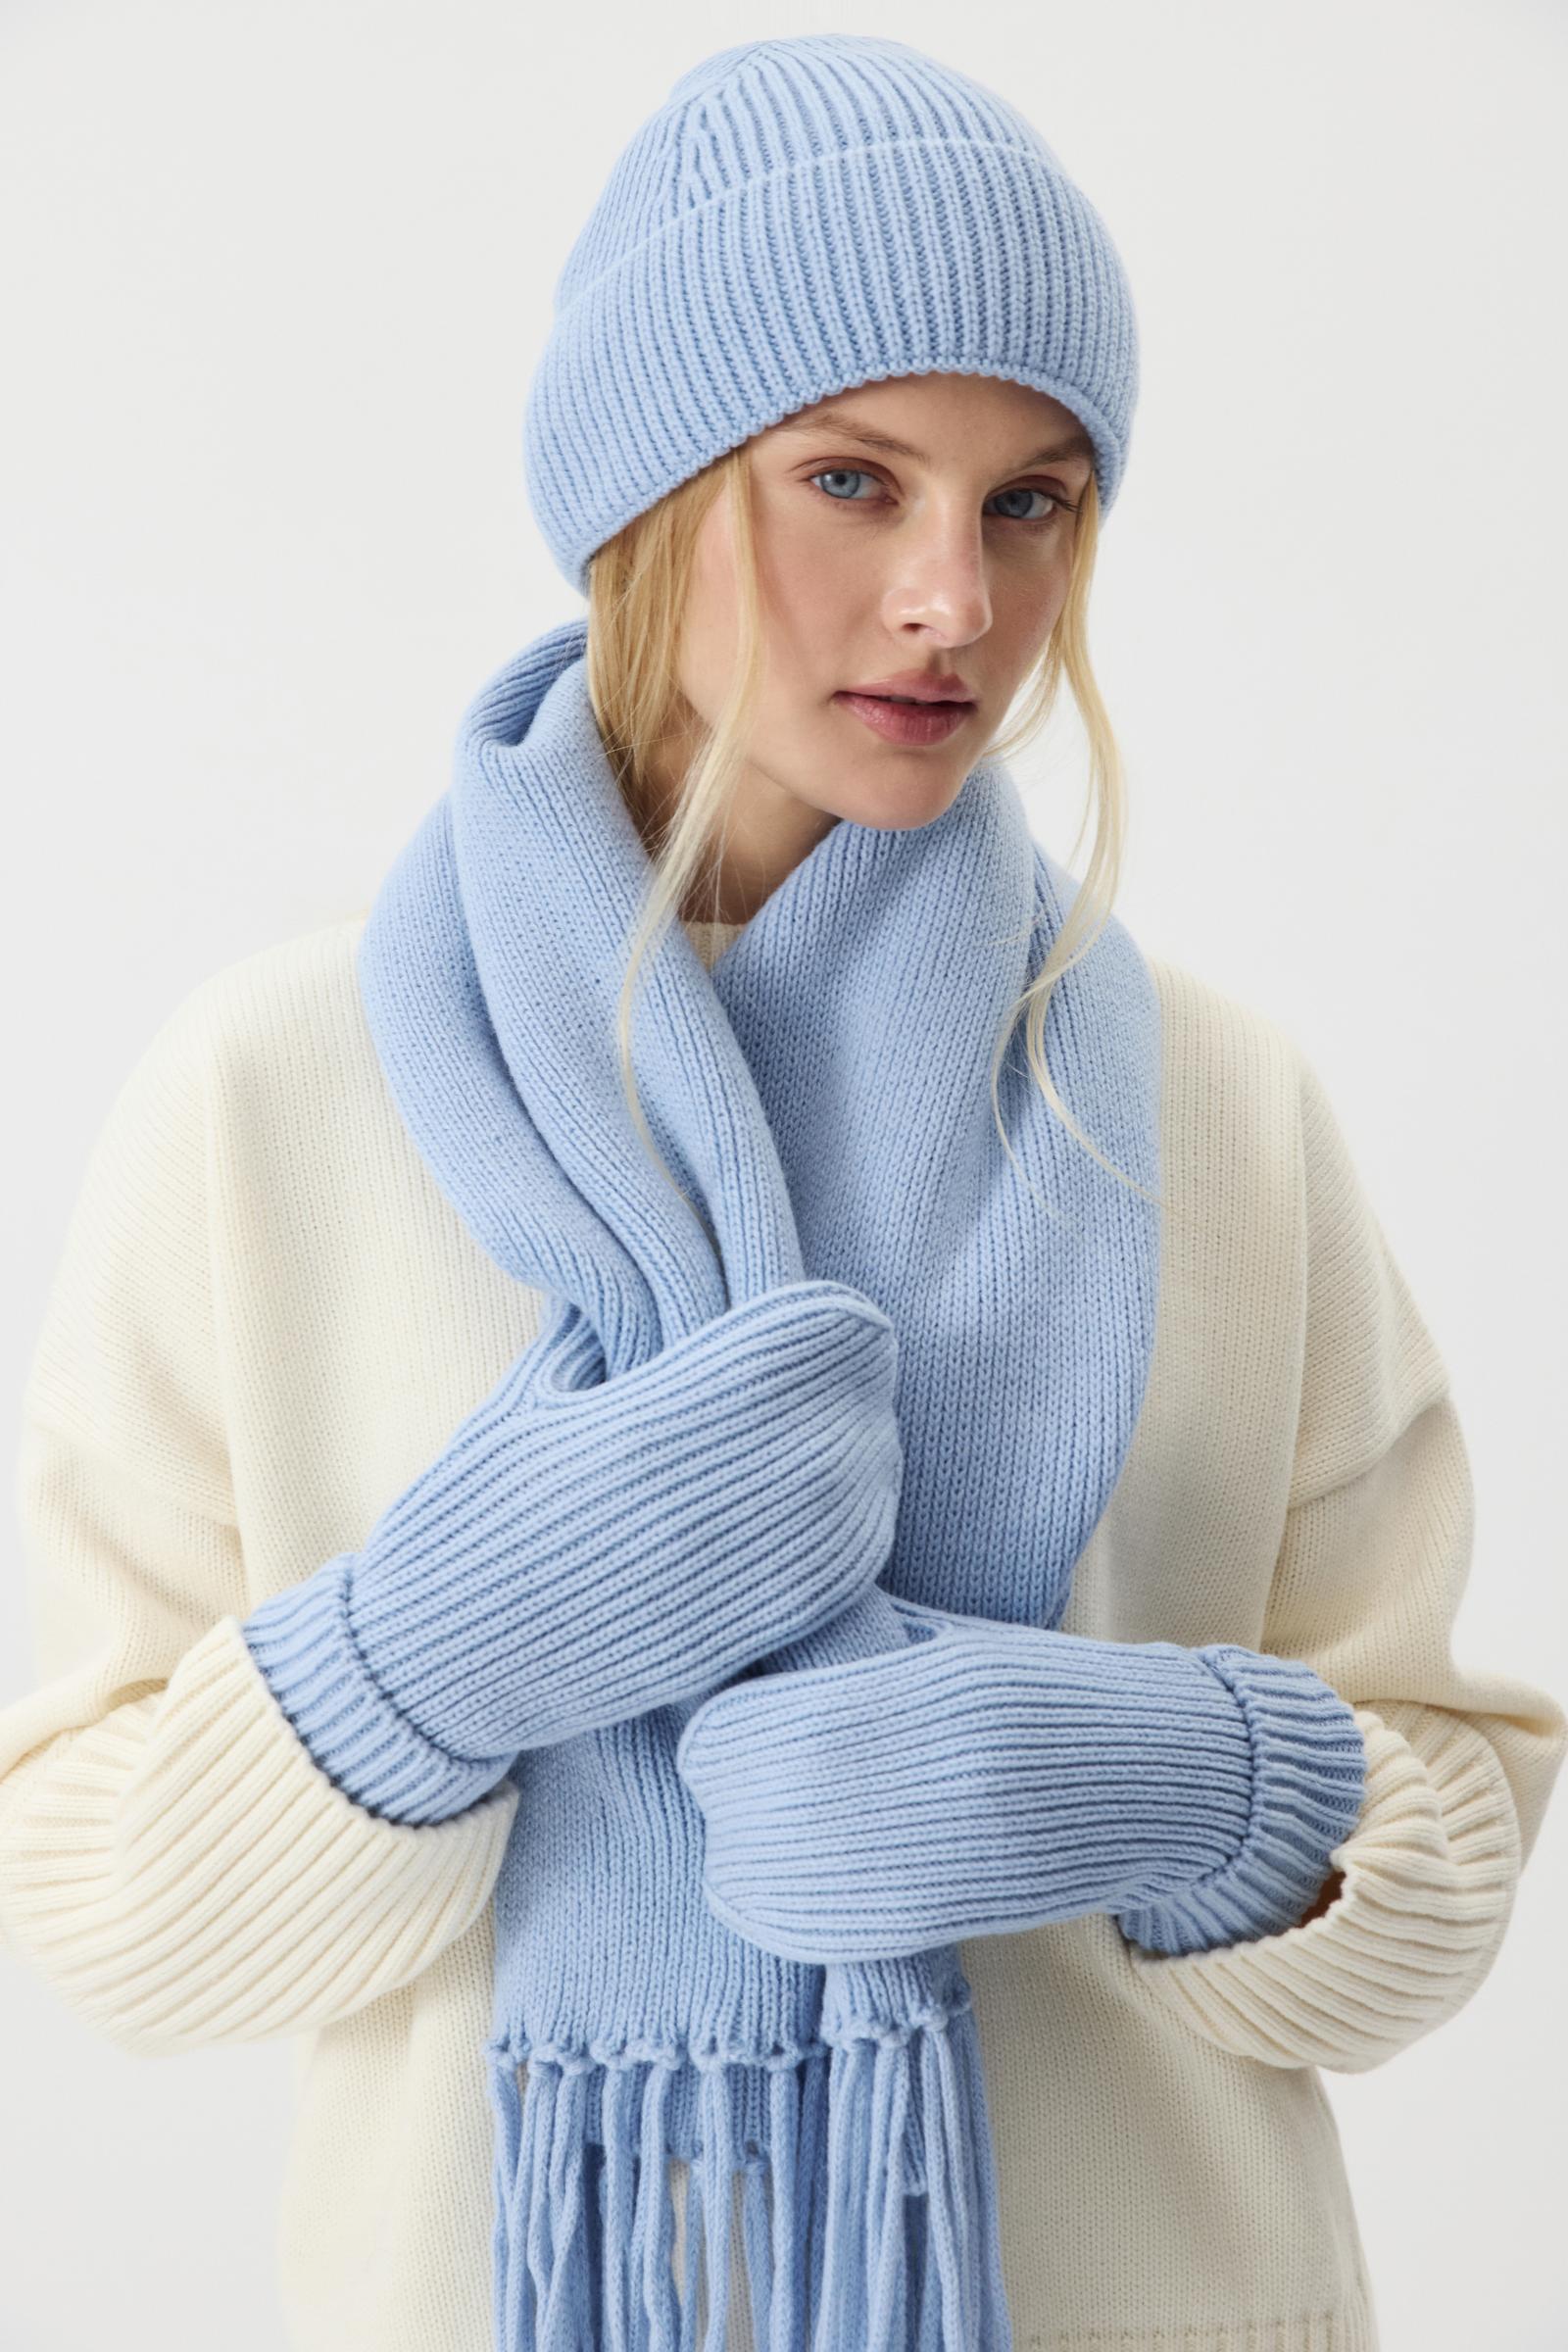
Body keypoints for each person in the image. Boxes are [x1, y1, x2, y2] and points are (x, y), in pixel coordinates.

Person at [2, 32, 1563, 2352]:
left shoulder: (1213, 1106)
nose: (952, 598)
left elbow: (1443, 1847)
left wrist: (1183, 1785)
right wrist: (423, 1662)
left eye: (1029, 503)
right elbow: (106, 1918)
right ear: (642, 492)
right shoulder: (276, 1097)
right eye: (851, 479)